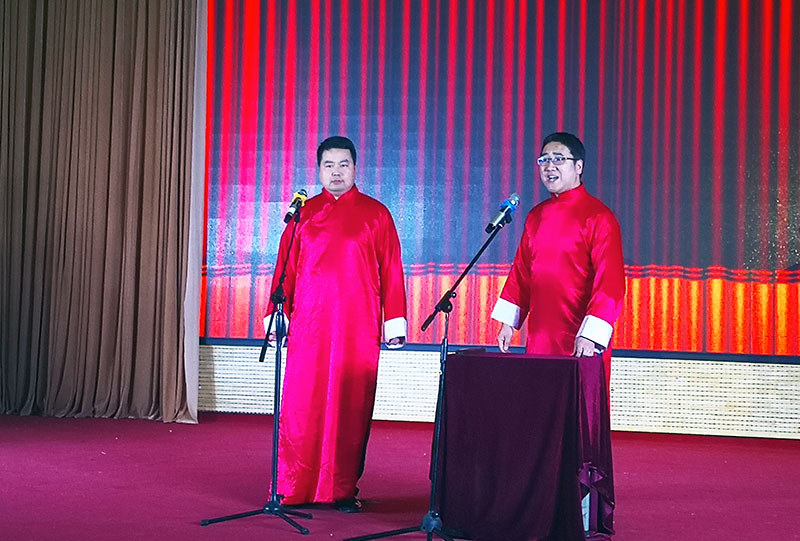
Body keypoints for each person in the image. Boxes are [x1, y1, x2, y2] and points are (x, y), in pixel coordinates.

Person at [266, 135, 407, 513]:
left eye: (344, 164)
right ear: (319, 170)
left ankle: (342, 488)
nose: (336, 172)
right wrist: (277, 317)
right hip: (309, 328)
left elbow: (391, 270)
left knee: (350, 408)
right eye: (328, 165)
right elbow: (285, 270)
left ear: (355, 168)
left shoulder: (376, 215)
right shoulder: (303, 214)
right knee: (302, 407)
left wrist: (394, 322)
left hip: (357, 329)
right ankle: (293, 487)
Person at [491, 131, 625, 389]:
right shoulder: (536, 217)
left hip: (581, 340)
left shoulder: (599, 218)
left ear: (579, 167)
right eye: (544, 160)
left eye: (558, 159)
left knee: (578, 403)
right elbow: (522, 274)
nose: (549, 166)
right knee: (540, 400)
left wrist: (590, 335)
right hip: (540, 338)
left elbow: (610, 285)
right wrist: (508, 324)